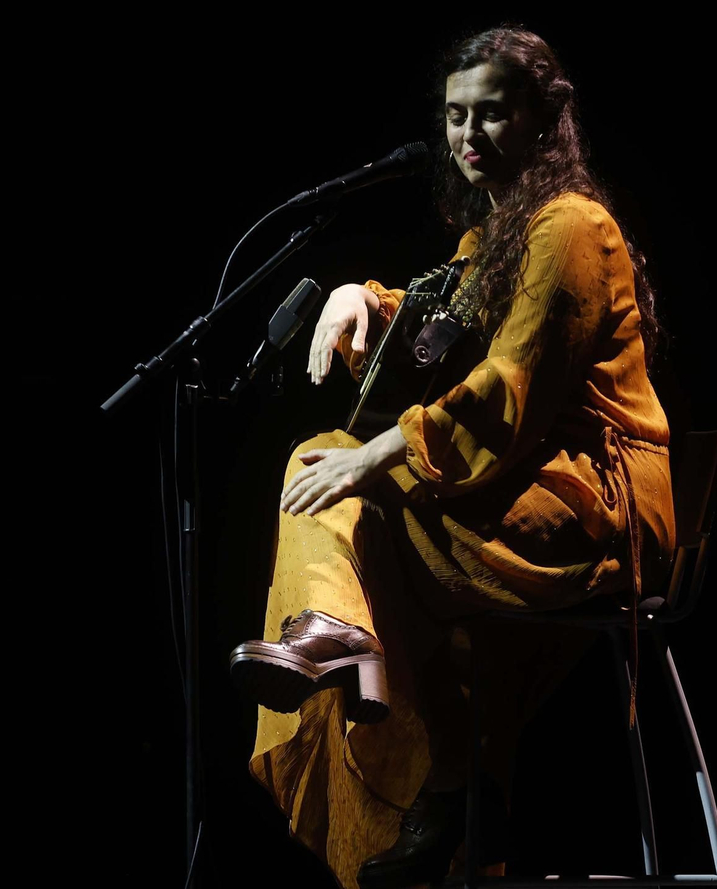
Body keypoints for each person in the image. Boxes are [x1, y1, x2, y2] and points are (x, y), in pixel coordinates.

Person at [228, 26, 676, 889]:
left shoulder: (572, 227)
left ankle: (429, 754)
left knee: (348, 482)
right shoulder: (497, 236)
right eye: (455, 116)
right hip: (522, 483)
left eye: (492, 114)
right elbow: (440, 311)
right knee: (327, 466)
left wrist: (379, 455)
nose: (469, 134)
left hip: (591, 505)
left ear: (544, 121)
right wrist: (360, 295)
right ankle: (391, 699)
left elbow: (508, 387)